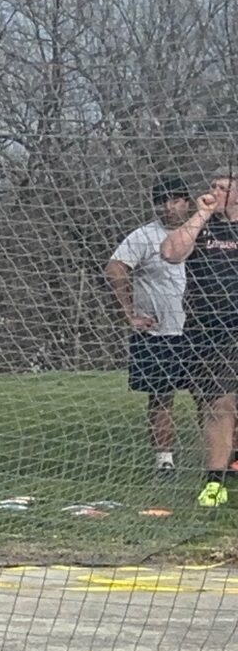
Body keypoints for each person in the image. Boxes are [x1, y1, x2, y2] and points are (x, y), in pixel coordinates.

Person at [106, 179, 198, 476]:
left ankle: (221, 457)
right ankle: (164, 461)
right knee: (161, 397)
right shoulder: (144, 236)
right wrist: (127, 312)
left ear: (188, 202)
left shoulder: (205, 232)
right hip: (159, 332)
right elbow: (115, 268)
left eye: (175, 200)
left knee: (213, 397)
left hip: (201, 330)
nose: (168, 208)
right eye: (161, 202)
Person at [160, 173, 238, 509]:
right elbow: (170, 253)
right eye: (213, 186)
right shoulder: (202, 227)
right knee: (218, 403)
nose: (215, 192)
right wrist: (202, 214)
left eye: (224, 188)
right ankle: (214, 480)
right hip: (211, 330)